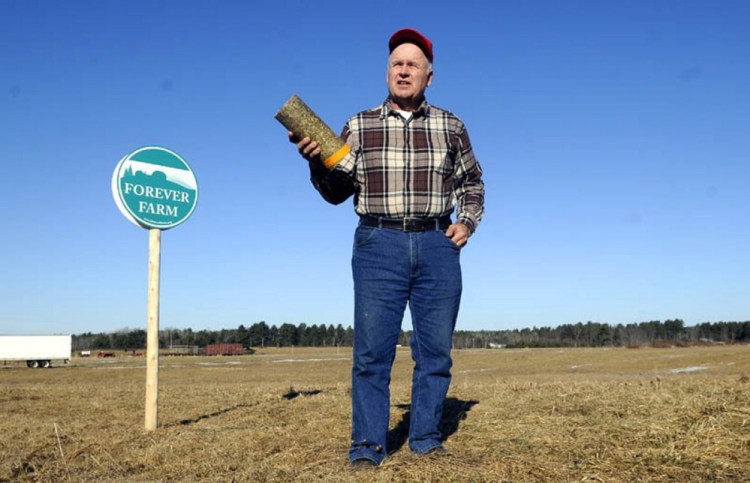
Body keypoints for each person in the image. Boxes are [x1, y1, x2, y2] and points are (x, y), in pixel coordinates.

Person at [289, 28, 485, 467]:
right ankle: (367, 447)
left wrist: (467, 223)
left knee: (434, 352)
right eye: (397, 63)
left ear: (429, 77)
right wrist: (315, 161)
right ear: (386, 72)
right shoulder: (358, 125)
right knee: (372, 353)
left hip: (437, 244)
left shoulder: (452, 126)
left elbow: (473, 182)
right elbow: (336, 192)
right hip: (379, 244)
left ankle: (426, 439)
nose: (403, 70)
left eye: (413, 64)